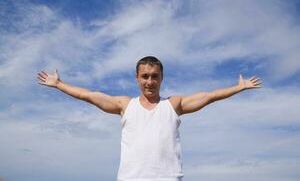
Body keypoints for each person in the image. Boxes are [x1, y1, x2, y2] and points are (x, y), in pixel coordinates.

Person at [37, 56, 262, 181]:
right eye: (145, 76)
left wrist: (238, 88)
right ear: (137, 78)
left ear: (161, 78)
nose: (150, 81)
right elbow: (89, 96)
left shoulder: (173, 105)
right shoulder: (125, 105)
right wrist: (58, 85)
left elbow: (209, 97)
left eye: (155, 76)